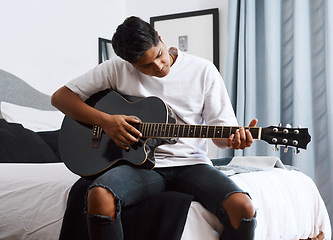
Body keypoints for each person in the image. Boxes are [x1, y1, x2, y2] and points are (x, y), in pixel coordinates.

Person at [52, 16, 258, 240]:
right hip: (138, 167)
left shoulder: (203, 70)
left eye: (159, 55)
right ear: (129, 63)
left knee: (243, 208)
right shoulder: (115, 69)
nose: (158, 67)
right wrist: (106, 122)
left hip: (191, 164)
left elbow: (220, 135)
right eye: (145, 66)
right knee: (99, 196)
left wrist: (233, 139)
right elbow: (61, 98)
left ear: (159, 38)